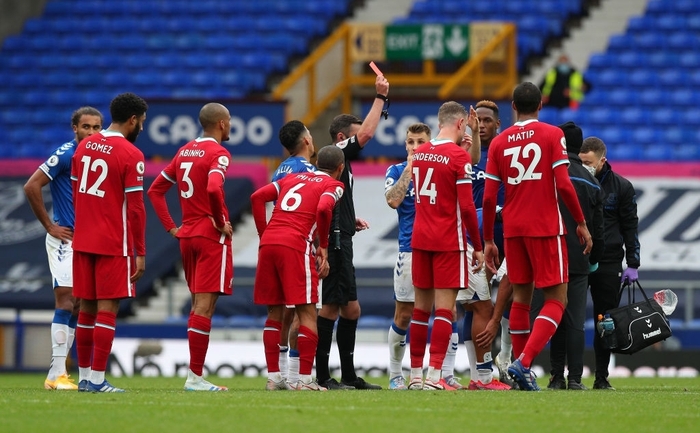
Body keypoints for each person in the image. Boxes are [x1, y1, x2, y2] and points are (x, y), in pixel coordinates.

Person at [482, 82, 593, 391]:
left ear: (513, 107)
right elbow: (563, 184)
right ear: (541, 105)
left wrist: (490, 239)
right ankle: (524, 363)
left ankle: (520, 375)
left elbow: (490, 198)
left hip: (514, 229)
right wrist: (581, 223)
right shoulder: (551, 135)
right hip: (545, 227)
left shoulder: (499, 143)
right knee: (558, 299)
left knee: (521, 298)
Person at [148, 103, 234, 392]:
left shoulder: (184, 151)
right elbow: (212, 188)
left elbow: (155, 190)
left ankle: (195, 377)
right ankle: (195, 378)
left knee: (198, 305)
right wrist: (221, 221)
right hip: (210, 235)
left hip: (187, 235)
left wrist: (172, 227)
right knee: (204, 307)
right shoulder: (219, 153)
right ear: (222, 124)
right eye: (229, 121)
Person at [315, 74, 389, 390]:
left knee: (351, 308)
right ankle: (321, 376)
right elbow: (369, 132)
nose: (362, 143)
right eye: (355, 138)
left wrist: (349, 218)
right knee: (331, 308)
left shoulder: (337, 168)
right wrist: (380, 97)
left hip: (343, 237)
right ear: (343, 137)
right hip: (334, 243)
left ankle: (347, 375)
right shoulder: (337, 153)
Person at [251, 145, 346, 391]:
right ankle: (304, 380)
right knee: (307, 313)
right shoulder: (334, 185)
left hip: (269, 243)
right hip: (295, 244)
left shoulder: (290, 178)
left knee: (274, 313)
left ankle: (274, 378)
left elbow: (257, 197)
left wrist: (264, 234)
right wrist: (322, 246)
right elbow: (324, 208)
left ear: (316, 163)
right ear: (341, 168)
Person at [71, 92, 148, 393]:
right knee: (107, 310)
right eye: (141, 122)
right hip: (112, 241)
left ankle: (85, 378)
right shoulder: (131, 155)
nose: (141, 127)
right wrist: (139, 252)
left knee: (86, 310)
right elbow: (137, 209)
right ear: (132, 120)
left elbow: (76, 194)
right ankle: (99, 379)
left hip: (83, 239)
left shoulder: (84, 146)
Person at [24, 106, 103, 390]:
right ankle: (55, 374)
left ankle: (61, 372)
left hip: (86, 239)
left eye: (96, 127)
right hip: (64, 239)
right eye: (86, 127)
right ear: (75, 128)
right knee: (67, 300)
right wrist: (50, 226)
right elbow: (31, 186)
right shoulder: (67, 154)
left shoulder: (96, 157)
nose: (91, 132)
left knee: (79, 304)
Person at [408, 101, 484, 390]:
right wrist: (476, 245)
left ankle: (415, 375)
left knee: (419, 310)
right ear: (461, 124)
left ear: (439, 123)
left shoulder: (420, 152)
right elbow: (466, 206)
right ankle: (434, 376)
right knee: (443, 310)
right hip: (448, 241)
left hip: (420, 239)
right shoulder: (457, 157)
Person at [530, 121, 605, 391]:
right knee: (574, 321)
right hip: (578, 258)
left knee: (553, 317)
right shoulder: (592, 182)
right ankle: (575, 379)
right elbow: (597, 228)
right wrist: (593, 259)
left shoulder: (545, 175)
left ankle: (554, 378)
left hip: (549, 254)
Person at [579, 136, 640, 390]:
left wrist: (633, 262)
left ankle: (601, 378)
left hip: (609, 261)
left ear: (603, 160)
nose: (584, 167)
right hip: (580, 258)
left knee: (605, 322)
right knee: (571, 319)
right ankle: (565, 376)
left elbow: (630, 226)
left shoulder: (622, 187)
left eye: (589, 162)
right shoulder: (576, 181)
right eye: (581, 162)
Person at [270, 120, 317, 387]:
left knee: (284, 312)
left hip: (275, 239)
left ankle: (279, 373)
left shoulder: (280, 169)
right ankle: (298, 376)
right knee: (304, 311)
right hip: (298, 243)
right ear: (307, 140)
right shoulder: (308, 171)